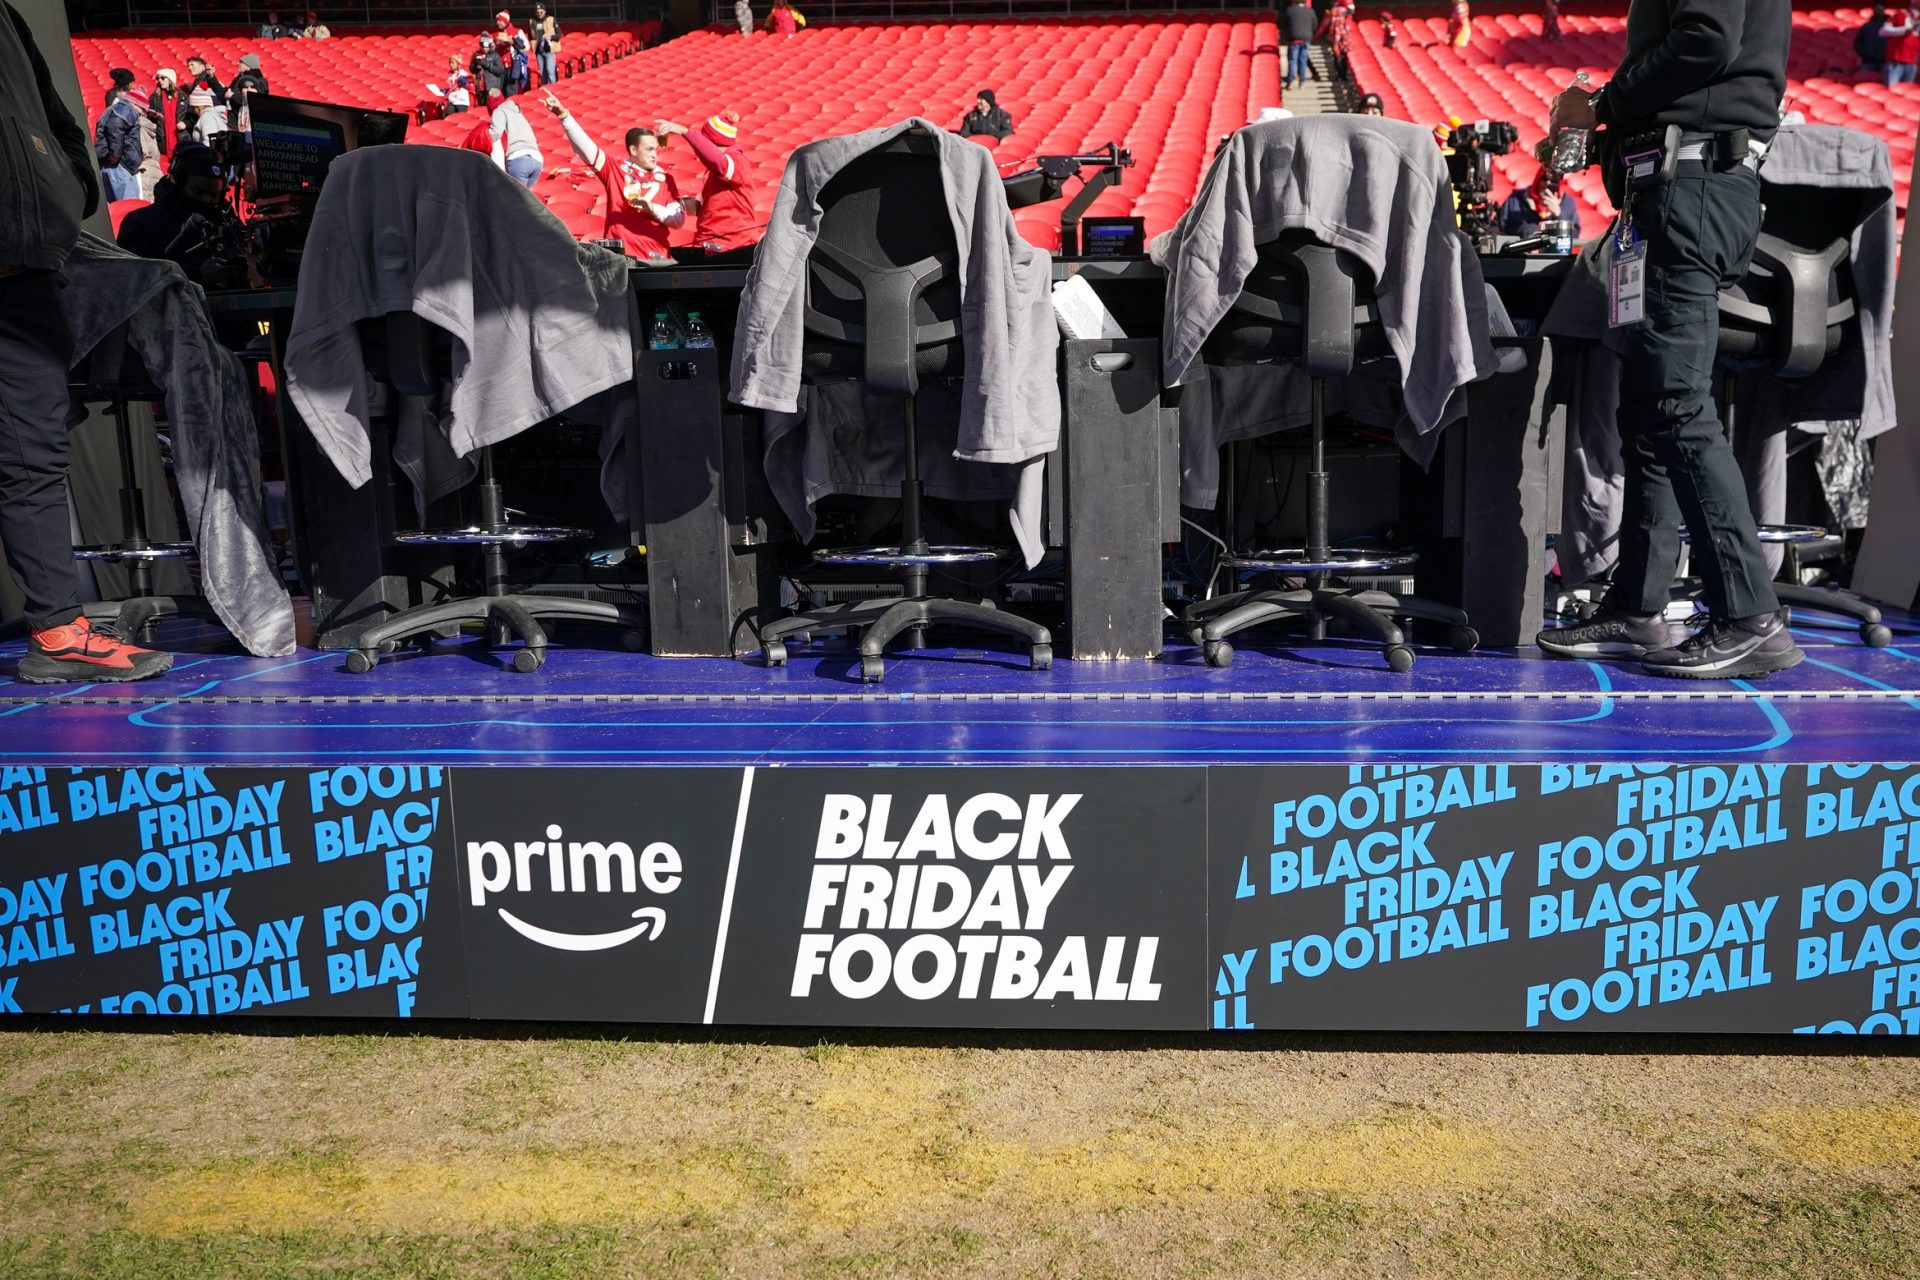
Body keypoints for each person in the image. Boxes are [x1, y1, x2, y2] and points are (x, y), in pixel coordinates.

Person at [1539, 0, 1802, 679]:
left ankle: (1749, 615)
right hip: (1674, 191)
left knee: (1677, 405)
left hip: (1694, 189)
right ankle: (1637, 606)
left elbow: (1707, 40)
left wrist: (1603, 101)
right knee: (1650, 408)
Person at [0, 0, 173, 682]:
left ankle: (57, 631)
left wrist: (60, 190)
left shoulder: (7, 17)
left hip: (22, 263)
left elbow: (57, 122)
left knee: (32, 452)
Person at [542, 91, 693, 260]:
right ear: (633, 150)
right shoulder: (615, 170)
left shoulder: (666, 179)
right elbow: (587, 149)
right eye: (649, 150)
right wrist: (564, 116)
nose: (654, 155)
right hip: (620, 259)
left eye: (656, 150)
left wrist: (651, 208)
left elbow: (678, 221)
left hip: (655, 257)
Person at [117, 142, 245, 288]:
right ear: (177, 182)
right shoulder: (139, 223)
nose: (207, 200)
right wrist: (197, 275)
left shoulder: (225, 220)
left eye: (214, 195)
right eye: (198, 192)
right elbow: (137, 281)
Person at [655, 109, 758, 255]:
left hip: (731, 248)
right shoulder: (716, 172)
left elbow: (719, 162)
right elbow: (722, 206)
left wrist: (684, 131)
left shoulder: (737, 161)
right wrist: (698, 208)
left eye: (705, 142)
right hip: (711, 245)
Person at [1497, 160, 1580, 238]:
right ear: (1538, 179)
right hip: (1521, 250)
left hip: (1554, 251)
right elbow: (1497, 226)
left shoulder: (1567, 203)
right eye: (1544, 178)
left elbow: (1574, 235)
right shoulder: (1516, 199)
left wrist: (1558, 215)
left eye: (1553, 180)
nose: (1548, 183)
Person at [93, 78, 142, 201]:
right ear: (136, 104)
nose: (143, 114)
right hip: (120, 166)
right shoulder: (127, 109)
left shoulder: (114, 109)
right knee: (129, 208)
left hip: (109, 164)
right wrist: (115, 153)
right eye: (143, 110)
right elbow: (115, 125)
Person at [490, 96, 544, 188]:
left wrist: (484, 135)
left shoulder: (499, 111)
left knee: (518, 199)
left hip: (518, 158)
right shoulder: (518, 113)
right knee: (529, 199)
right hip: (537, 159)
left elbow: (495, 133)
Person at [149, 67, 183, 158]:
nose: (160, 81)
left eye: (163, 78)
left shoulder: (182, 96)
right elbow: (149, 114)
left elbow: (188, 115)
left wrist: (184, 123)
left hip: (179, 135)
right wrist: (154, 115)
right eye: (158, 78)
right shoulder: (154, 97)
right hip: (162, 135)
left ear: (170, 79)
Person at [1282, 0, 1316, 89]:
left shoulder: (1289, 10)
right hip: (1306, 39)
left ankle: (1290, 81)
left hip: (1294, 38)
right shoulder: (1310, 11)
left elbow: (1283, 24)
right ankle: (1302, 82)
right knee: (1303, 60)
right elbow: (1315, 25)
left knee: (1292, 60)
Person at [495, 10, 530, 94]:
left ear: (506, 21)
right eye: (497, 21)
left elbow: (526, 47)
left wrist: (513, 43)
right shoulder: (495, 34)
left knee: (511, 90)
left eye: (500, 20)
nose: (498, 23)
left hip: (513, 65)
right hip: (500, 66)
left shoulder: (517, 32)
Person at [1882, 8, 1918, 85]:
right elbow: (1883, 31)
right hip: (1896, 61)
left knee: (1908, 92)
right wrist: (1903, 30)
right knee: (1892, 91)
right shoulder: (1901, 14)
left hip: (1912, 63)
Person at [471, 34, 507, 107]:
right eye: (482, 47)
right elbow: (472, 70)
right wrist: (475, 63)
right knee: (482, 108)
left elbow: (500, 70)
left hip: (492, 86)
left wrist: (487, 65)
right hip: (480, 87)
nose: (484, 49)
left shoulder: (495, 55)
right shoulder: (476, 54)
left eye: (486, 47)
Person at [530, 4, 560, 85]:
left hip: (549, 50)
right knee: (542, 73)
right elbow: (531, 36)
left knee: (550, 71)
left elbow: (558, 35)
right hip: (539, 51)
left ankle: (553, 89)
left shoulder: (551, 19)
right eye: (537, 12)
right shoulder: (532, 21)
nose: (539, 14)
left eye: (541, 12)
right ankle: (545, 90)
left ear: (544, 11)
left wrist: (550, 37)